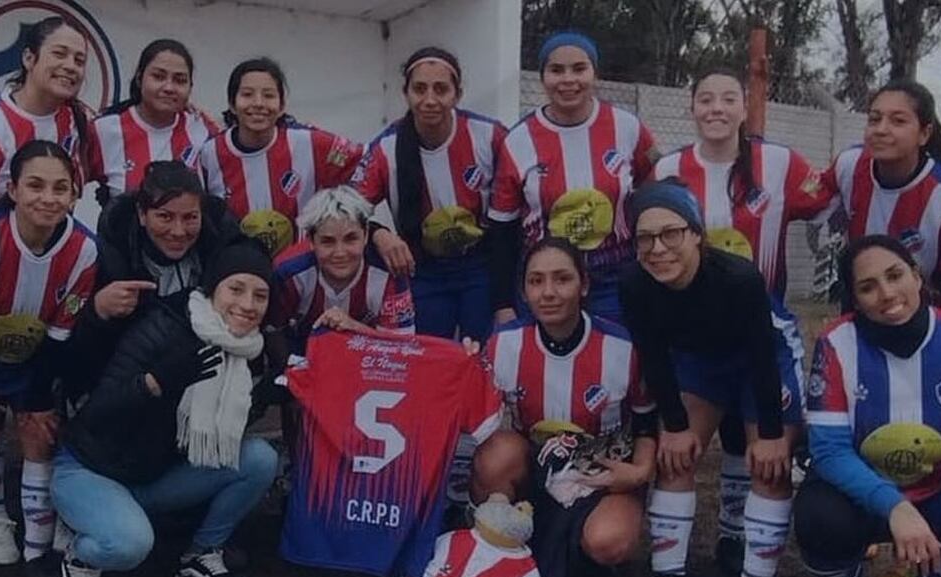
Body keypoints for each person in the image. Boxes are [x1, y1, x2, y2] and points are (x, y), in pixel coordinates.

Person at [652, 67, 824, 575]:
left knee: (757, 446)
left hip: (763, 329)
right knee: (687, 445)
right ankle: (673, 574)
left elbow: (830, 200)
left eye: (729, 99)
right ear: (692, 107)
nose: (717, 109)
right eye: (706, 99)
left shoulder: (780, 163)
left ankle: (740, 550)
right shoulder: (668, 169)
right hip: (694, 333)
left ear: (745, 108)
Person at [51, 240, 279, 577]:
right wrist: (155, 382)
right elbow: (96, 413)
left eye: (260, 295)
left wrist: (261, 399)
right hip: (92, 468)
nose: (247, 305)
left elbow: (214, 431)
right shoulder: (165, 326)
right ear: (212, 289)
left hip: (154, 474)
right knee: (129, 546)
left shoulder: (247, 349)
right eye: (235, 289)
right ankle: (82, 554)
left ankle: (201, 554)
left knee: (259, 459)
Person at [620, 179, 798, 577]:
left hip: (762, 357)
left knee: (770, 465)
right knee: (675, 455)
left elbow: (761, 356)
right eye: (645, 238)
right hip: (701, 362)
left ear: (697, 233)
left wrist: (773, 435)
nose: (658, 248)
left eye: (671, 233)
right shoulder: (634, 283)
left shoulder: (739, 277)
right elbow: (654, 356)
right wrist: (676, 427)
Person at [470, 236, 657, 577]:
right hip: (536, 471)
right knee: (496, 454)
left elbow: (647, 424)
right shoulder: (503, 344)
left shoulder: (622, 347)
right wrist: (464, 370)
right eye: (536, 281)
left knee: (610, 541)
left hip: (600, 473)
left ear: (584, 284)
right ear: (523, 290)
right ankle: (498, 547)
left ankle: (585, 561)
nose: (549, 292)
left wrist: (638, 474)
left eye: (562, 279)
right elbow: (473, 420)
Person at [795, 235, 941, 577]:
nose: (886, 293)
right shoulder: (837, 342)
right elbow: (828, 451)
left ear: (917, 277)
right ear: (855, 297)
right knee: (818, 516)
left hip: (940, 488)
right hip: (862, 494)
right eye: (868, 287)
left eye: (895, 275)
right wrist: (895, 507)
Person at [0, 140, 97, 577]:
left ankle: (36, 554)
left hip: (36, 354)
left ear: (73, 195)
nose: (47, 197)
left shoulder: (85, 250)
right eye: (35, 185)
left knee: (40, 432)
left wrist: (38, 399)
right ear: (12, 189)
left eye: (59, 188)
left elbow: (58, 336)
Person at [488, 31, 659, 324]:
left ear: (595, 73)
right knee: (542, 366)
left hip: (613, 276)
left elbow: (658, 196)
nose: (568, 79)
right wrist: (502, 304)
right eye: (556, 70)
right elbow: (502, 229)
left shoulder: (628, 128)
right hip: (546, 278)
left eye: (579, 69)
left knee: (616, 362)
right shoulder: (518, 140)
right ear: (542, 77)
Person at [354, 46, 506, 341]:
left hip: (481, 266)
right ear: (405, 93)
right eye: (419, 89)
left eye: (441, 89)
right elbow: (347, 210)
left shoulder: (490, 136)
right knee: (431, 358)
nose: (430, 100)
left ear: (457, 94)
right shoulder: (386, 148)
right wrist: (377, 233)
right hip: (423, 270)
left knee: (487, 355)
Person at [63, 160, 241, 403]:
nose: (178, 231)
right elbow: (74, 358)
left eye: (190, 217)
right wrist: (97, 311)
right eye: (165, 217)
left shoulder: (220, 254)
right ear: (142, 215)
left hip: (200, 390)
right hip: (129, 394)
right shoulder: (105, 259)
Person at [199, 57, 363, 256]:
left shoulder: (311, 142)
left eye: (268, 95)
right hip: (238, 274)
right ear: (232, 105)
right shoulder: (209, 153)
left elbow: (366, 164)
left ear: (282, 105)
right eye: (247, 94)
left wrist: (358, 223)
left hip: (301, 271)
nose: (258, 103)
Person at [820, 78, 941, 311]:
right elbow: (799, 200)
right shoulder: (849, 165)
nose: (881, 130)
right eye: (874, 119)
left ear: (924, 133)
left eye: (898, 121)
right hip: (860, 314)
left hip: (924, 328)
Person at [268, 185, 414, 358]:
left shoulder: (390, 272)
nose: (340, 253)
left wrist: (354, 327)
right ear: (311, 241)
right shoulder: (288, 272)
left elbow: (403, 351)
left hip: (369, 365)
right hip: (303, 361)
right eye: (328, 241)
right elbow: (272, 334)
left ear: (366, 234)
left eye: (350, 239)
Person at [0, 16, 92, 210]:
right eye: (59, 54)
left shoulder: (80, 120)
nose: (71, 66)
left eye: (79, 61)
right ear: (29, 58)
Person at [87, 39, 219, 204]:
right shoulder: (103, 130)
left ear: (190, 87)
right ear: (139, 78)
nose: (169, 87)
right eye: (158, 76)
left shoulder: (203, 129)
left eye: (180, 80)